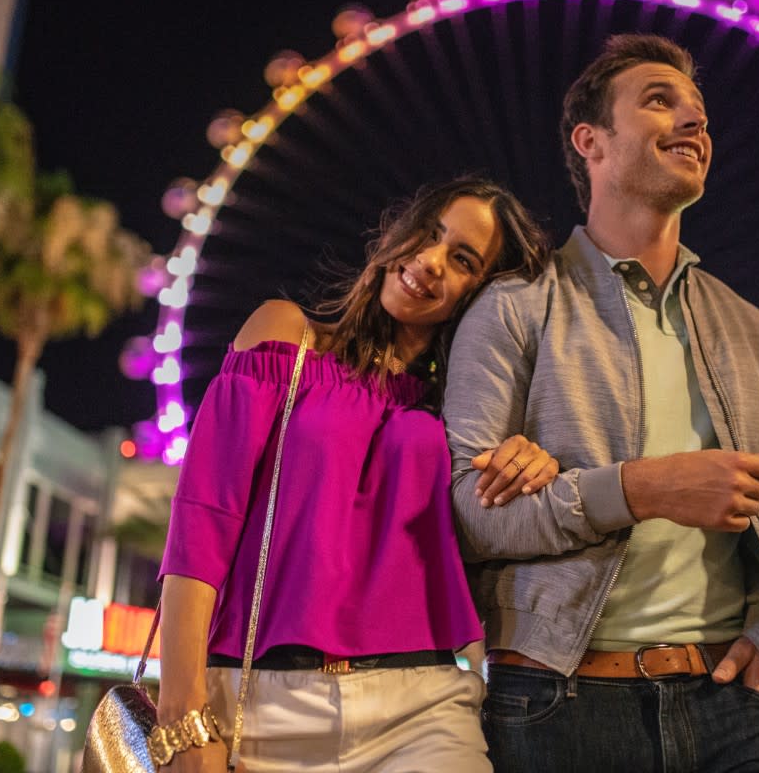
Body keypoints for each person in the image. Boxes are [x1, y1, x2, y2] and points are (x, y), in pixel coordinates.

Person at [444, 33, 759, 772]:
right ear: (591, 141)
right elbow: (472, 512)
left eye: (699, 111)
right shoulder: (514, 307)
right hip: (559, 703)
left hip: (733, 705)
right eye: (659, 101)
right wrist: (642, 489)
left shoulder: (746, 324)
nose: (695, 123)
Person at [156, 177, 553, 772]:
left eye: (463, 259)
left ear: (486, 294)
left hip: (421, 705)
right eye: (431, 233)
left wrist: (531, 458)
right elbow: (203, 522)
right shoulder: (285, 337)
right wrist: (180, 715)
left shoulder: (464, 414)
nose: (430, 261)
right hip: (258, 704)